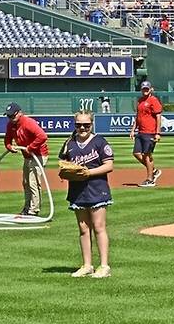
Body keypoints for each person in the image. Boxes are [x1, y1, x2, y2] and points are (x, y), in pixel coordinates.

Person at [59, 110, 114, 278]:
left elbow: (109, 165)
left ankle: (104, 266)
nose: (82, 128)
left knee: (99, 227)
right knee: (83, 228)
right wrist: (66, 172)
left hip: (97, 188)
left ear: (92, 125)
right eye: (79, 125)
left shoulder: (99, 142)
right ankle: (87, 265)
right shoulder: (70, 143)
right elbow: (63, 164)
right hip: (78, 191)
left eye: (86, 125)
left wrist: (88, 173)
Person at [3, 102, 49, 216]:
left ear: (19, 113)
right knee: (25, 182)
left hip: (39, 155)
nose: (11, 118)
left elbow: (42, 136)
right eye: (9, 116)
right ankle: (27, 207)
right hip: (27, 156)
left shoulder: (28, 122)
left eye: (12, 116)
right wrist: (9, 147)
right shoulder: (10, 125)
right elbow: (7, 139)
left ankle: (34, 209)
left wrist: (31, 147)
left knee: (33, 182)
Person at [130, 80, 163, 187]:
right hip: (141, 131)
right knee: (136, 153)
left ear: (150, 90)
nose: (145, 90)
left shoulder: (154, 100)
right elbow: (137, 116)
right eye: (143, 89)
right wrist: (133, 129)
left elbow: (158, 117)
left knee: (147, 155)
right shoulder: (140, 100)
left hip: (150, 132)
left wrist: (158, 133)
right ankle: (153, 171)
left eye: (147, 89)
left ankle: (150, 180)